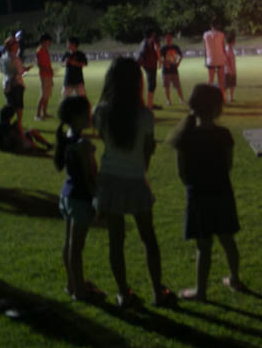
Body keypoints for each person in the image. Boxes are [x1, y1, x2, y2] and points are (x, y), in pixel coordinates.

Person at [93, 57, 176, 308]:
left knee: (116, 242)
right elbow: (148, 151)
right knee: (148, 239)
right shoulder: (145, 116)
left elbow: (103, 139)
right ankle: (158, 292)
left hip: (109, 180)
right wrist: (141, 172)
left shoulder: (101, 112)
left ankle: (123, 293)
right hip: (135, 180)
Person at [168, 84, 244, 300]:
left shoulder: (185, 136)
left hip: (198, 196)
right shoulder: (224, 134)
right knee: (227, 239)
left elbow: (181, 173)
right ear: (217, 108)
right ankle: (235, 279)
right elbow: (228, 165)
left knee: (204, 245)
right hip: (222, 192)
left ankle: (200, 291)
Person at [54, 96, 105, 301]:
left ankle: (72, 284)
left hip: (67, 196)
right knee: (76, 247)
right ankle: (81, 291)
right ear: (76, 118)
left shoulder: (67, 137)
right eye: (87, 113)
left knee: (69, 244)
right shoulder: (84, 144)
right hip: (80, 199)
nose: (90, 116)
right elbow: (90, 176)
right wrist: (98, 201)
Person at [0, 36, 32, 137]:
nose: (18, 45)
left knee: (10, 106)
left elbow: (3, 69)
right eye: (16, 44)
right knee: (18, 107)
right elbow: (19, 72)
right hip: (16, 84)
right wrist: (24, 70)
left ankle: (7, 125)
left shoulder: (3, 57)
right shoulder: (15, 58)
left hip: (6, 84)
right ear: (12, 46)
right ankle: (19, 125)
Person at [137, 29, 162, 110]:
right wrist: (160, 61)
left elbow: (140, 55)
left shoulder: (143, 42)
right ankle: (149, 105)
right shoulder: (153, 41)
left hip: (146, 65)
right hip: (151, 65)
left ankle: (150, 104)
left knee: (151, 84)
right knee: (152, 85)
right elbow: (157, 49)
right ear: (152, 34)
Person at [160, 32, 184, 106]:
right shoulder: (163, 48)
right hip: (166, 70)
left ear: (171, 39)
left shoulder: (175, 47)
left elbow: (181, 55)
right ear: (165, 39)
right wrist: (164, 63)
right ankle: (168, 101)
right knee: (167, 87)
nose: (168, 39)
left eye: (169, 38)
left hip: (174, 69)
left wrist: (178, 63)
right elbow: (159, 58)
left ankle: (182, 100)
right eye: (167, 38)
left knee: (178, 86)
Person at [203, 20, 227, 94]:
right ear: (218, 26)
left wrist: (205, 60)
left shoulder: (206, 35)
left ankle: (208, 96)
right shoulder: (221, 34)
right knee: (221, 80)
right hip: (220, 59)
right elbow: (223, 48)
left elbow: (205, 48)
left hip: (210, 60)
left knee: (210, 79)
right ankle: (222, 97)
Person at [35, 33, 54, 120]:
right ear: (44, 41)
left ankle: (44, 113)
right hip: (44, 76)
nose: (49, 43)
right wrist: (48, 71)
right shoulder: (40, 51)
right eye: (48, 41)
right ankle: (38, 115)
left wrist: (51, 74)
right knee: (43, 95)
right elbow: (39, 64)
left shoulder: (45, 50)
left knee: (47, 95)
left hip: (48, 76)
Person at [224, 31, 238, 103]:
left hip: (232, 69)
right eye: (234, 40)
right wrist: (231, 70)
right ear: (232, 41)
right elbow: (227, 61)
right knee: (226, 86)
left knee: (232, 85)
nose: (235, 41)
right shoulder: (227, 49)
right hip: (228, 71)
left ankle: (231, 98)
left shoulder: (231, 49)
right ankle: (224, 99)